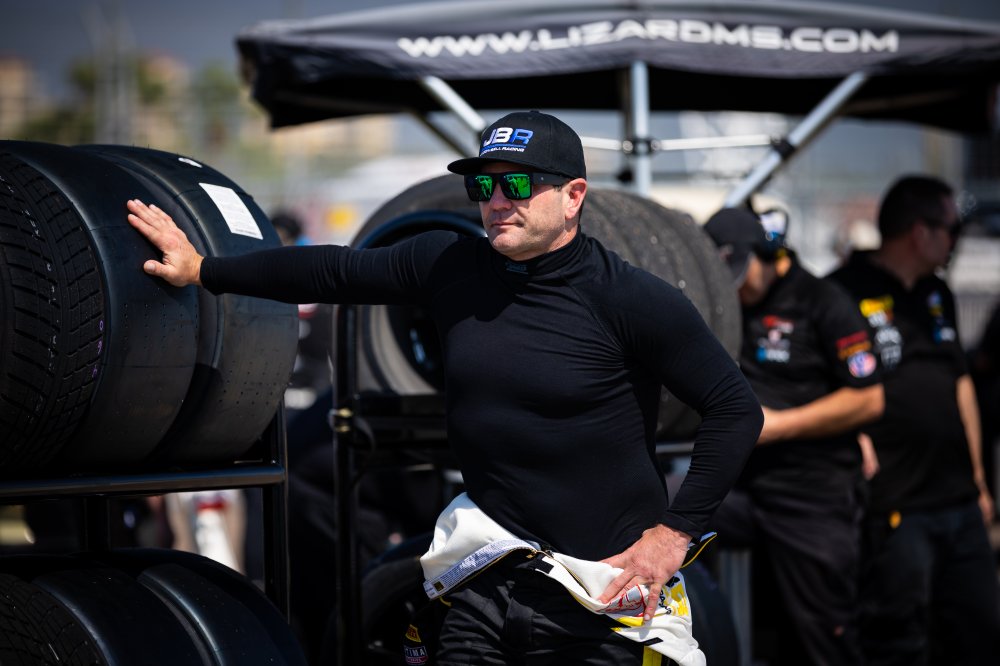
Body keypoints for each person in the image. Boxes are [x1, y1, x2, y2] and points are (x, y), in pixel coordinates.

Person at [125, 110, 762, 665]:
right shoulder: (447, 264)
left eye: (517, 184)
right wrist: (204, 269)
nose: (496, 200)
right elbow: (333, 269)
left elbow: (735, 409)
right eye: (483, 185)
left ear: (573, 196)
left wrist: (673, 535)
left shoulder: (633, 299)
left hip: (601, 591)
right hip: (488, 572)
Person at [827, 174, 1000, 666]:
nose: (955, 241)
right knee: (898, 638)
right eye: (952, 229)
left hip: (959, 500)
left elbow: (960, 382)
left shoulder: (937, 292)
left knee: (981, 631)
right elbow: (820, 385)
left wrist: (980, 480)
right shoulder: (840, 292)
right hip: (894, 505)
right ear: (920, 232)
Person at [703, 207, 884, 665]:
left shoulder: (823, 300)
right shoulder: (725, 304)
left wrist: (779, 425)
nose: (736, 288)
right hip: (741, 489)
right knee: (650, 510)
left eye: (741, 274)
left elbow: (869, 399)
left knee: (825, 639)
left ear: (767, 254)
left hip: (812, 498)